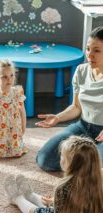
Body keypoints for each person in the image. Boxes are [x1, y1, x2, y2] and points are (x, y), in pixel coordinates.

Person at [4, 136, 103, 213]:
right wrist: (55, 202)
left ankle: (17, 198)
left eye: (63, 157)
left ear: (70, 164)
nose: (60, 159)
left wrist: (55, 203)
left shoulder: (64, 187)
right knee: (49, 207)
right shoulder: (99, 181)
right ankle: (30, 195)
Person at [36, 26, 103, 171]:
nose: (90, 55)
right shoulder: (81, 71)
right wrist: (58, 117)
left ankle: (88, 164)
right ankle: (85, 162)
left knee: (96, 168)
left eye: (97, 50)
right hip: (83, 126)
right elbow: (76, 107)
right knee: (45, 160)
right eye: (88, 49)